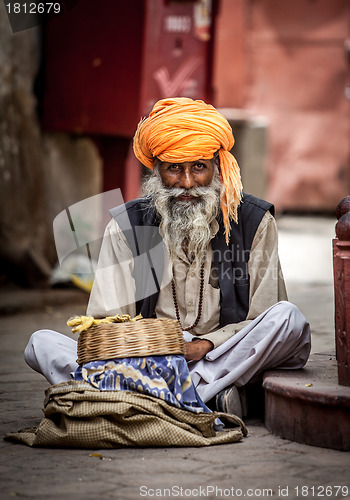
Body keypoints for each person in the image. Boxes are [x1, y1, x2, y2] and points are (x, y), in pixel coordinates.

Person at [24, 97, 311, 419]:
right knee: (41, 343)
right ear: (156, 171)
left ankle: (147, 398)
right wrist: (154, 350)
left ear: (218, 168)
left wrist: (206, 345)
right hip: (147, 357)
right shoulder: (127, 225)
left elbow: (264, 315)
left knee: (288, 319)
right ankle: (203, 396)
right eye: (174, 168)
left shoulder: (253, 220)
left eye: (199, 167)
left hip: (224, 353)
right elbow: (107, 321)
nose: (187, 183)